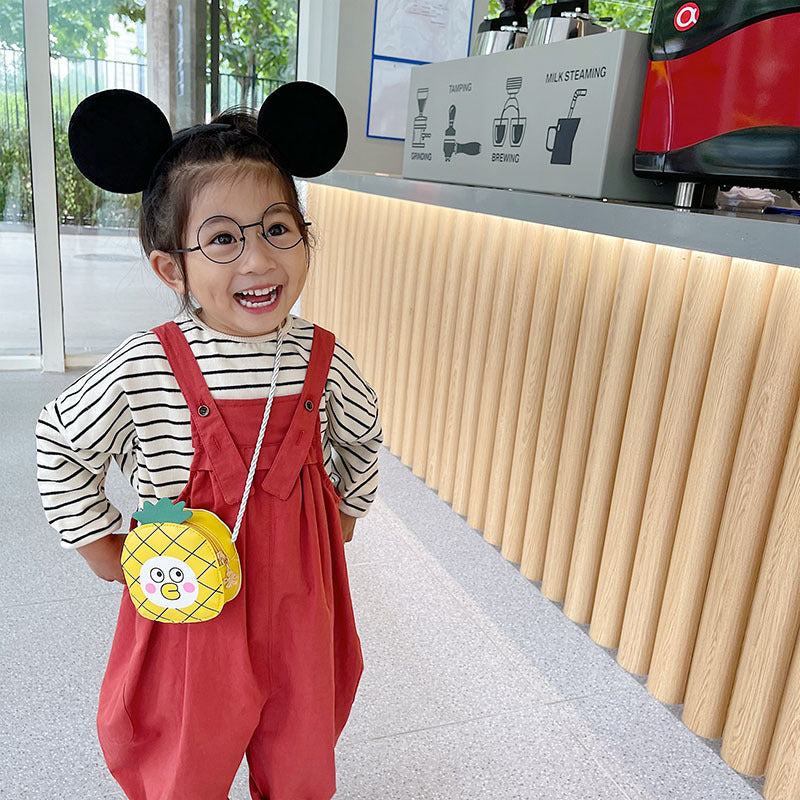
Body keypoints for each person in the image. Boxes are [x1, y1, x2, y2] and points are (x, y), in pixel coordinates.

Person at [35, 82, 382, 800]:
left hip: (299, 604)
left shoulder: (325, 357)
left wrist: (346, 512)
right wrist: (101, 546)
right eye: (223, 239)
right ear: (173, 268)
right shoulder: (145, 363)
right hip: (189, 603)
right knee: (184, 751)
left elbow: (363, 434)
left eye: (277, 229)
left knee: (301, 746)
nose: (256, 261)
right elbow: (60, 440)